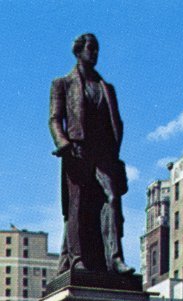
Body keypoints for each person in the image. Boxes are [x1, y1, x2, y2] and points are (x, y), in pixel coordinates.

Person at [49, 33, 134, 275]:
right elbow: (55, 119)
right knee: (77, 205)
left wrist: (114, 153)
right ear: (78, 51)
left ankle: (115, 258)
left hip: (103, 154)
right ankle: (76, 260)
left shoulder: (106, 88)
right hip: (76, 152)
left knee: (112, 199)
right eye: (90, 49)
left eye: (97, 49)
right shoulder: (63, 84)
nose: (94, 53)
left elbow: (116, 122)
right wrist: (63, 142)